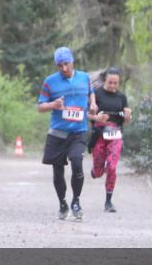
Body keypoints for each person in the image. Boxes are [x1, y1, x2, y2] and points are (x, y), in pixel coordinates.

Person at [36, 47, 97, 220]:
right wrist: (53, 105)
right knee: (58, 172)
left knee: (77, 162)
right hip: (58, 134)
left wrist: (92, 103)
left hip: (78, 132)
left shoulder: (84, 77)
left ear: (73, 62)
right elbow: (40, 106)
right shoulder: (50, 82)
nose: (64, 68)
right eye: (59, 65)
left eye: (66, 64)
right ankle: (62, 203)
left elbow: (91, 93)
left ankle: (76, 202)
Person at [88, 67, 132, 212]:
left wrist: (127, 117)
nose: (113, 86)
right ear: (104, 80)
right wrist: (96, 117)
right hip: (100, 134)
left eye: (116, 83)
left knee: (112, 167)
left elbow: (126, 120)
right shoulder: (96, 94)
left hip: (116, 135)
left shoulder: (122, 97)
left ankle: (108, 202)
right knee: (100, 172)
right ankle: (96, 170)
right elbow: (87, 114)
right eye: (110, 82)